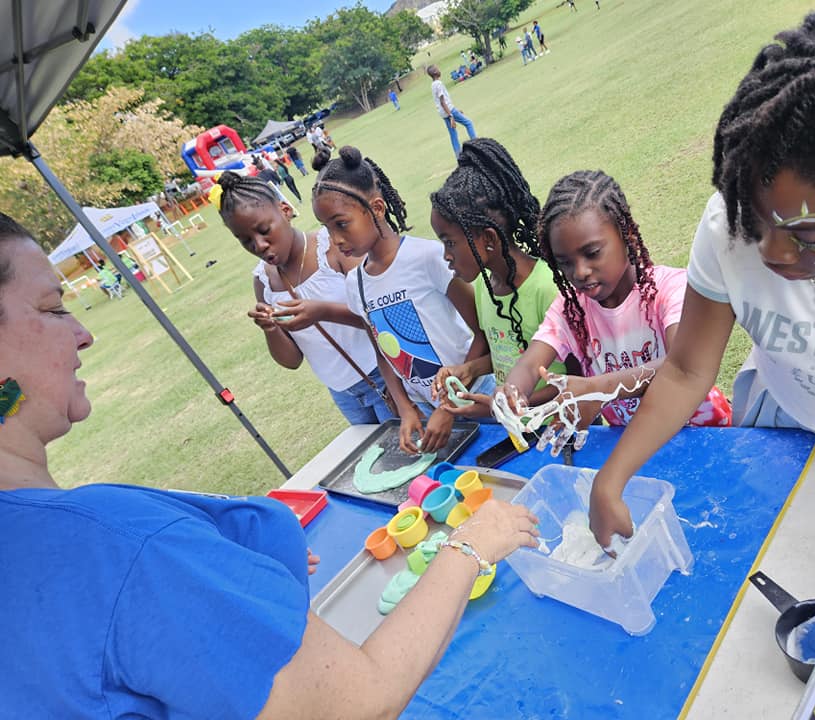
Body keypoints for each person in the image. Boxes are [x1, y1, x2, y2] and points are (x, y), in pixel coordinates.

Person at [0, 212, 540, 717]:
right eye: (52, 308)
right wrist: (469, 545)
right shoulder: (120, 547)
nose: (83, 333)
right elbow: (360, 699)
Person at [588, 12, 815, 549]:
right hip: (784, 427)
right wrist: (612, 478)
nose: (770, 251)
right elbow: (689, 368)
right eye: (757, 220)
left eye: (807, 231)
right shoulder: (725, 228)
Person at [497, 170, 731, 442]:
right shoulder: (570, 309)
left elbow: (683, 362)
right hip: (633, 444)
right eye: (565, 262)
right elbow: (529, 365)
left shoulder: (671, 289)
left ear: (627, 234)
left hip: (705, 435)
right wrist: (511, 393)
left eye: (592, 253)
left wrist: (600, 389)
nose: (579, 271)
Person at [312, 146, 489, 454]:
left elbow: (483, 330)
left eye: (341, 224)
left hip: (476, 398)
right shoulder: (355, 284)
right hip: (429, 413)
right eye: (327, 229)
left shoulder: (428, 258)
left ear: (377, 208)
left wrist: (449, 406)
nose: (336, 240)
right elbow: (382, 350)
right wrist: (406, 408)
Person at [214, 171, 392, 424]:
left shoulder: (334, 249)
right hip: (343, 393)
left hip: (383, 376)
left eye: (264, 230)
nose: (259, 245)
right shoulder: (263, 282)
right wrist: (270, 329)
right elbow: (291, 360)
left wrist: (322, 311)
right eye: (245, 240)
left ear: (285, 210)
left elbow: (381, 314)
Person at [429, 138, 566, 417]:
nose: (445, 255)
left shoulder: (546, 288)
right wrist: (470, 369)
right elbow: (508, 354)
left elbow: (575, 380)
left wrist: (506, 405)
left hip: (558, 429)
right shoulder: (484, 285)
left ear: (488, 239)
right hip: (517, 429)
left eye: (450, 243)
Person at [427, 64, 477, 157]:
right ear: (435, 72)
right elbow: (442, 101)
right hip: (448, 110)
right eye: (437, 69)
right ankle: (477, 146)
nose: (439, 70)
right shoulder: (438, 84)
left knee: (453, 135)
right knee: (468, 123)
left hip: (443, 112)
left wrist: (455, 110)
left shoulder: (433, 84)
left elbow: (442, 101)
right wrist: (451, 115)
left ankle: (459, 157)